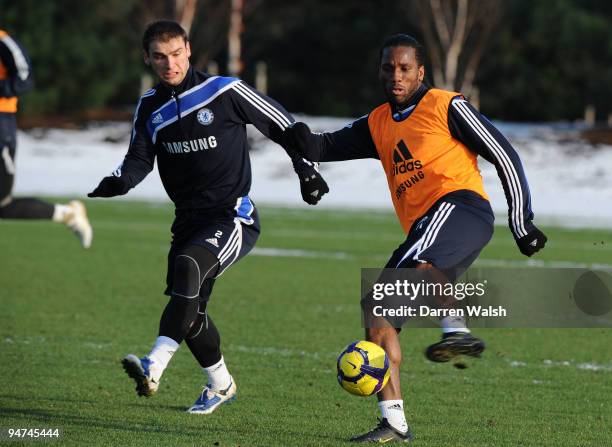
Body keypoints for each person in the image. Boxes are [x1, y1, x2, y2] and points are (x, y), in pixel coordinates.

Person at [283, 34, 547, 442]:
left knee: (422, 261)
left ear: (420, 72)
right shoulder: (377, 122)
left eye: (405, 68)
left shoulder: (446, 105)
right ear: (380, 72)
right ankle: (394, 421)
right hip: (426, 226)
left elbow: (504, 152)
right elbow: (322, 145)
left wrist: (521, 221)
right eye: (389, 68)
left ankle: (455, 328)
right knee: (376, 311)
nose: (396, 75)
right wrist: (296, 137)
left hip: (462, 208)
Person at [88, 20, 328, 414]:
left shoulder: (225, 90)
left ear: (189, 50)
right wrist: (120, 182)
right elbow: (139, 159)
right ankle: (220, 384)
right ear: (147, 58)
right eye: (160, 57)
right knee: (192, 312)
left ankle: (154, 365)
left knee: (188, 265)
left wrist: (306, 169)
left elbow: (286, 127)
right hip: (188, 220)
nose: (170, 64)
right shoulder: (150, 106)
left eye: (176, 54)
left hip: (233, 216)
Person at [0, 28, 92, 248]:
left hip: (1, 126)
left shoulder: (3, 41)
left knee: (2, 205)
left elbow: (25, 78)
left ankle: (68, 214)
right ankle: (68, 214)